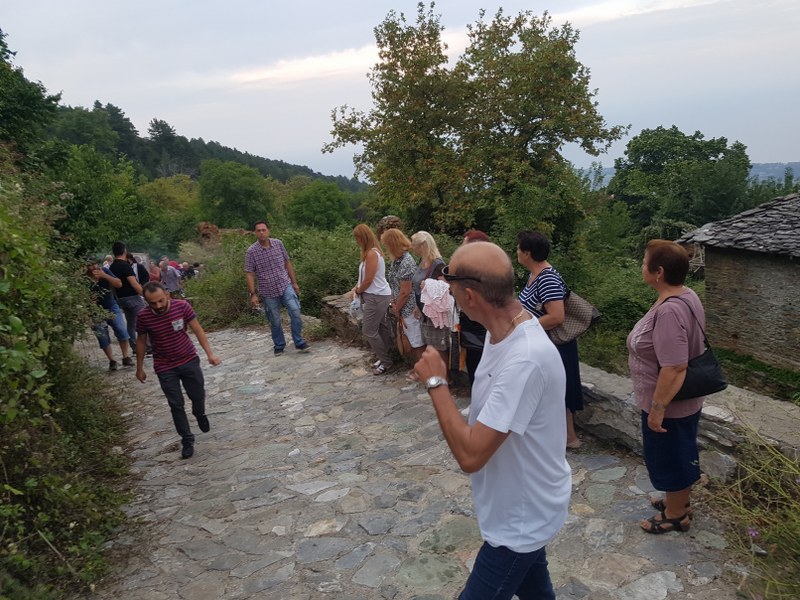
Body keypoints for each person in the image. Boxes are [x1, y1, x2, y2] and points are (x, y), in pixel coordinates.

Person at [414, 241, 571, 599]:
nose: (447, 290)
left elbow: (471, 456)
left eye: (450, 282)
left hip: (520, 520)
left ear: (469, 296)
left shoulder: (524, 358)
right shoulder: (502, 331)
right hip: (520, 505)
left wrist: (436, 382)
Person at [627, 239, 705, 534]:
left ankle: (676, 515)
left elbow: (674, 366)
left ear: (658, 272)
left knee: (670, 457)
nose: (641, 267)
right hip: (684, 400)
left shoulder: (670, 311)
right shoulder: (686, 295)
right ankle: (678, 501)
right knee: (681, 452)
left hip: (669, 403)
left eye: (644, 262)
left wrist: (657, 409)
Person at [135, 282, 221, 459]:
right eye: (153, 303)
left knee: (197, 394)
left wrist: (210, 354)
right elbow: (142, 342)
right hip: (164, 366)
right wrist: (139, 368)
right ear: (146, 302)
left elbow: (197, 329)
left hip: (188, 359)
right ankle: (187, 439)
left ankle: (199, 413)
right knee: (175, 404)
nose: (158, 305)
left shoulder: (182, 306)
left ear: (167, 295)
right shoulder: (143, 316)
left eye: (160, 300)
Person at [517, 230, 584, 449]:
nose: (516, 252)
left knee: (558, 391)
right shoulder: (535, 275)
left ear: (527, 253)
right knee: (551, 391)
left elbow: (556, 316)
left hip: (555, 345)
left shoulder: (547, 277)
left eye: (519, 248)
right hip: (544, 344)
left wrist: (525, 327)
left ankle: (569, 438)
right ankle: (563, 437)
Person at [245, 220, 309, 355]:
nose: (261, 233)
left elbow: (287, 262)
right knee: (274, 320)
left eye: (263, 230)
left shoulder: (278, 244)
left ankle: (299, 341)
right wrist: (253, 294)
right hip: (267, 290)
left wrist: (294, 282)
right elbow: (249, 273)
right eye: (258, 230)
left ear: (268, 231)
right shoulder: (252, 252)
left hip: (284, 284)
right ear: (255, 233)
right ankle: (279, 344)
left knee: (295, 310)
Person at [380, 228, 424, 379]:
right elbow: (394, 283)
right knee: (413, 339)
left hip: (409, 308)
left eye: (387, 245)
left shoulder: (406, 262)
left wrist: (397, 308)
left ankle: (420, 370)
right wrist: (393, 300)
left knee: (417, 341)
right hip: (402, 306)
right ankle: (417, 368)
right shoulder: (397, 261)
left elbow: (406, 291)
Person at [351, 224, 393, 375]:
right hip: (376, 295)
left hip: (376, 296)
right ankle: (383, 358)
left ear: (363, 237)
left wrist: (358, 290)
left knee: (369, 330)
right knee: (381, 328)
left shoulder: (371, 254)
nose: (356, 240)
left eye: (357, 237)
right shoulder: (370, 253)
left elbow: (368, 279)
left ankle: (386, 362)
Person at [410, 231, 450, 366]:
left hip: (435, 315)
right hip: (424, 311)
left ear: (422, 245)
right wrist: (417, 306)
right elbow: (417, 287)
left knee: (439, 347)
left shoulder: (438, 264)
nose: (412, 247)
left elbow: (445, 288)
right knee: (431, 346)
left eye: (414, 245)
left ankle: (444, 375)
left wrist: (428, 284)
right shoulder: (422, 261)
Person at [86, 262, 132, 370]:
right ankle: (112, 360)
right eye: (90, 265)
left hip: (111, 305)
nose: (94, 267)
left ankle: (126, 357)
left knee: (121, 329)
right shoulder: (84, 279)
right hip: (95, 310)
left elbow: (119, 284)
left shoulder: (105, 271)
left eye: (95, 264)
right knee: (102, 335)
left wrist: (105, 276)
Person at [458, 230, 489, 384]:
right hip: (469, 321)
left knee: (482, 365)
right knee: (472, 364)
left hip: (482, 324)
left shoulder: (487, 268)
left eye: (465, 245)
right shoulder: (468, 266)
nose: (461, 248)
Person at [108, 241, 146, 353]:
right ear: (124, 251)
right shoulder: (125, 266)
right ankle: (148, 346)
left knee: (130, 324)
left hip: (121, 299)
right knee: (145, 321)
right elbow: (134, 284)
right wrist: (146, 295)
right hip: (133, 298)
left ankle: (134, 346)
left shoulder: (112, 267)